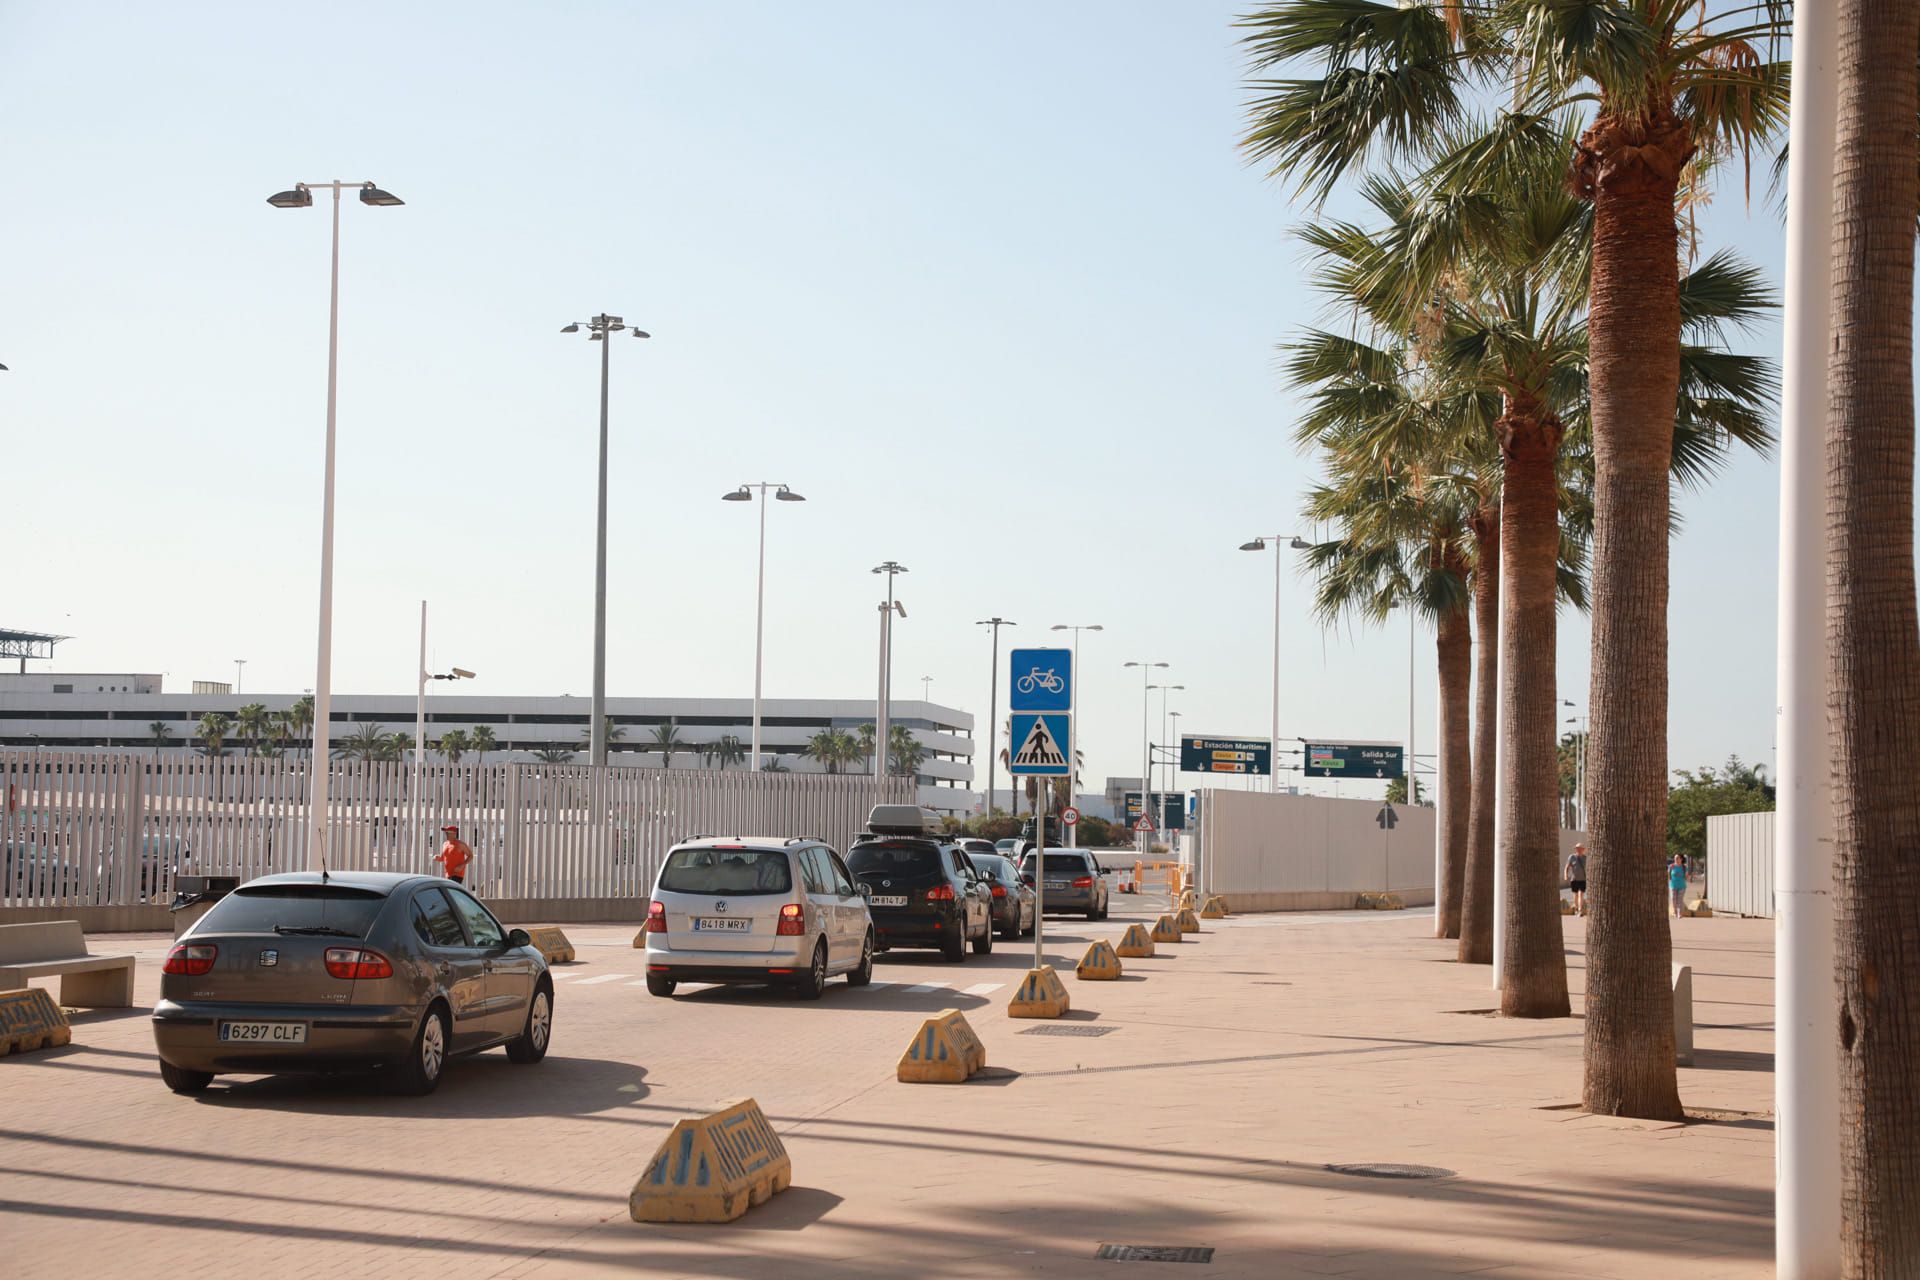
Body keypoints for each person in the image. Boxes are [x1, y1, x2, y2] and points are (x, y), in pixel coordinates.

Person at [1564, 843, 1589, 917]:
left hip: (1583, 879)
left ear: (1583, 850)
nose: (1578, 849)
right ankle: (1576, 909)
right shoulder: (1571, 857)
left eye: (1580, 848)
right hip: (1574, 879)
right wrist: (1566, 875)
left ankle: (1580, 910)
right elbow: (1567, 867)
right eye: (1577, 848)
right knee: (1575, 895)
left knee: (1581, 894)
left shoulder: (1585, 858)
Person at [1669, 853, 1690, 919]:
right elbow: (1668, 875)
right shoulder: (1671, 866)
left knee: (1680, 900)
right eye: (1675, 858)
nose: (1676, 859)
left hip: (1682, 886)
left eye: (1677, 858)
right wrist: (1670, 881)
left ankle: (1679, 913)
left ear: (1681, 859)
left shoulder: (1684, 867)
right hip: (1673, 886)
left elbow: (1687, 876)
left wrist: (1688, 877)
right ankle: (1675, 911)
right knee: (1673, 899)